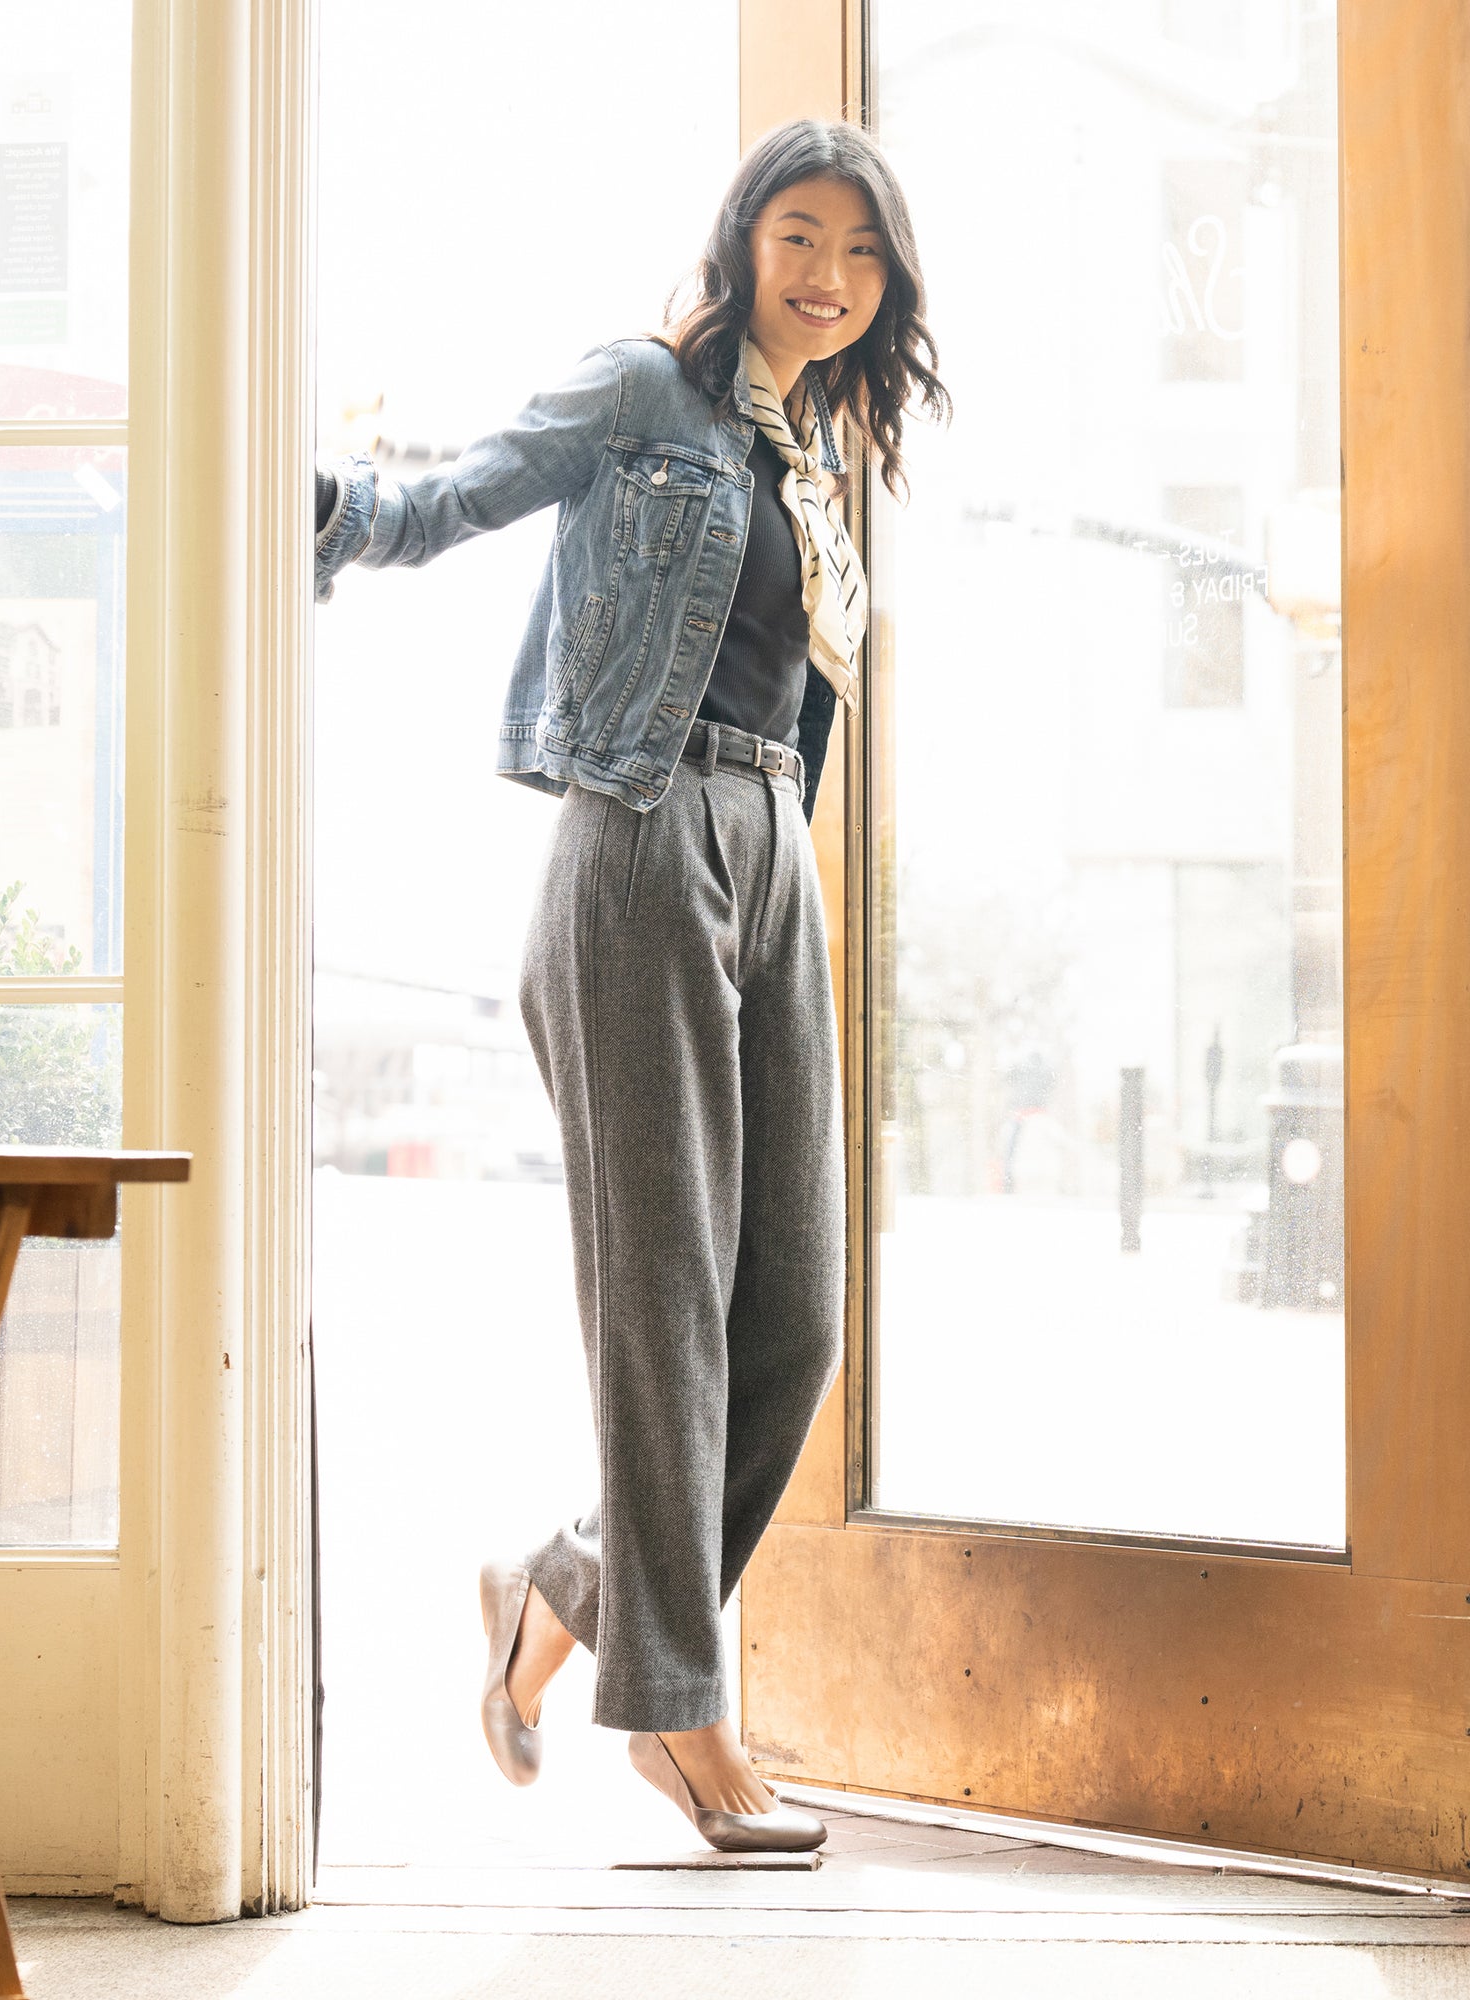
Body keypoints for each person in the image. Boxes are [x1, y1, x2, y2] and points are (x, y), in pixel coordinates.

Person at [313, 117, 947, 1852]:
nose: (826, 277)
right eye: (800, 237)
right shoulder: (638, 393)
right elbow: (449, 499)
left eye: (860, 254)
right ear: (744, 238)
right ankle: (674, 1715)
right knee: (661, 1307)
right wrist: (302, 506)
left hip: (771, 848)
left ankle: (561, 1588)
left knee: (792, 1316)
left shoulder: (809, 448)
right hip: (641, 838)